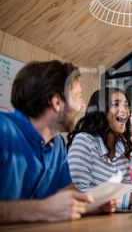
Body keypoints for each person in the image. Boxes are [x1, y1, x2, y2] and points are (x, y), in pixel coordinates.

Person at [0, 60, 119, 224]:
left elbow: (68, 193)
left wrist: (93, 205)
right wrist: (42, 209)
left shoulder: (57, 144)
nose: (83, 104)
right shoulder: (3, 130)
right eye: (78, 96)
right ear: (57, 102)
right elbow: (47, 208)